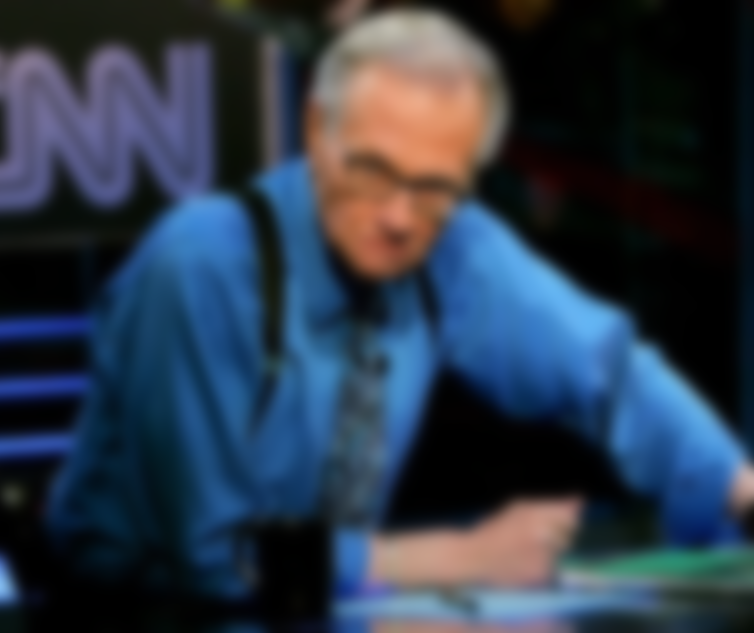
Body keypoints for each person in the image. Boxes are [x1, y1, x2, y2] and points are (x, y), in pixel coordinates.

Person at [46, 8, 754, 600]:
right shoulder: (199, 266)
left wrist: (740, 487)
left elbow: (611, 373)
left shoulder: (455, 246)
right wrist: (461, 555)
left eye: (435, 188)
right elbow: (216, 559)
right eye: (374, 170)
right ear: (317, 130)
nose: (398, 216)